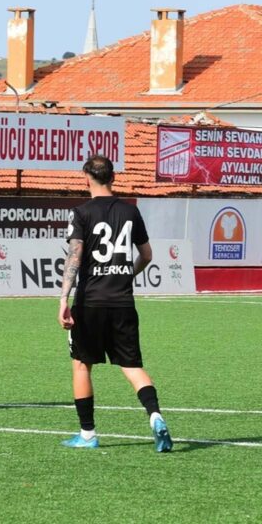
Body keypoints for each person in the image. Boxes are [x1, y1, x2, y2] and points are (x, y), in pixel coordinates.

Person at [57, 155, 173, 452]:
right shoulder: (130, 211)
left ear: (86, 177)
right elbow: (147, 255)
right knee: (132, 366)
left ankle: (87, 434)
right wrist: (127, 274)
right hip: (122, 302)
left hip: (90, 303)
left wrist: (63, 298)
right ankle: (155, 416)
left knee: (81, 364)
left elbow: (74, 256)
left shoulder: (80, 213)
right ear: (113, 177)